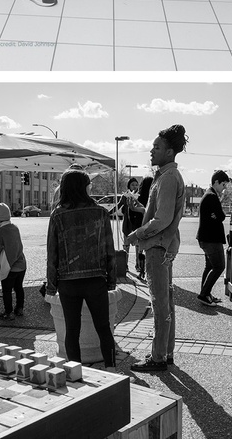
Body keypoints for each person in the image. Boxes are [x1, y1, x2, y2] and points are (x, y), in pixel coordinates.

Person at [45, 167, 118, 367]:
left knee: (72, 329)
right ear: (84, 187)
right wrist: (111, 281)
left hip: (68, 283)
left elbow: (52, 254)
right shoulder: (101, 213)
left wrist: (51, 286)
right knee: (104, 328)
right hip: (96, 280)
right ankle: (111, 369)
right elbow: (109, 251)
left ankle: (76, 374)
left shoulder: (57, 215)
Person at [128, 125, 187, 372]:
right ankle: (166, 352)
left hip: (157, 246)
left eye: (157, 147)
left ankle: (159, 357)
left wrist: (137, 233)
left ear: (170, 151)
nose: (151, 151)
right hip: (164, 245)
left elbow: (162, 220)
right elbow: (163, 214)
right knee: (166, 301)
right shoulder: (167, 176)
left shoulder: (168, 178)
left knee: (160, 302)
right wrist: (144, 210)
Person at [196, 170, 230, 306]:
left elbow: (218, 216)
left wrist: (216, 215)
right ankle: (204, 294)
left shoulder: (209, 194)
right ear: (216, 182)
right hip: (211, 239)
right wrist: (217, 215)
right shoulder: (211, 196)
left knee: (209, 266)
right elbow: (221, 216)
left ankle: (206, 293)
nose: (224, 188)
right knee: (219, 266)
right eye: (223, 184)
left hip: (205, 238)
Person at [0, 202, 26, 320]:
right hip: (21, 264)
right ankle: (19, 308)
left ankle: (8, 313)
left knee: (7, 290)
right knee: (19, 287)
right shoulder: (15, 227)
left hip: (9, 266)